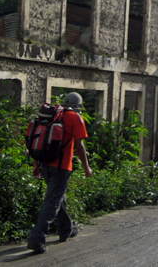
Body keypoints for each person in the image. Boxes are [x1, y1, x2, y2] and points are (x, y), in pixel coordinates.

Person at [27, 92, 93, 254]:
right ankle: (37, 238)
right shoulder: (75, 118)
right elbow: (79, 146)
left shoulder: (52, 115)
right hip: (61, 167)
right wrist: (86, 167)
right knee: (53, 202)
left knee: (58, 198)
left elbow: (36, 142)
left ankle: (66, 229)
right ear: (78, 105)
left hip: (45, 163)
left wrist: (36, 166)